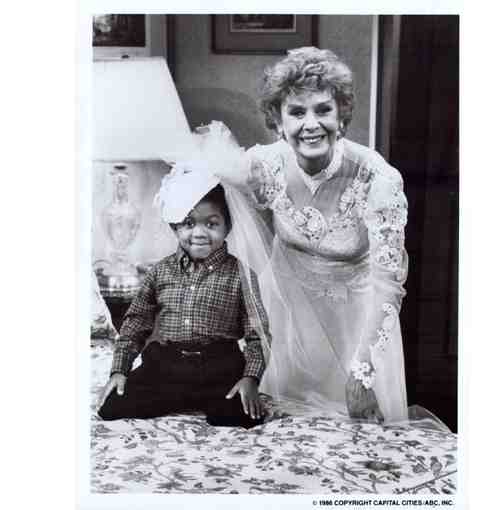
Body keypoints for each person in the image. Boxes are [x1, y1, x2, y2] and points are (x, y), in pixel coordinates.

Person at [216, 47, 410, 422]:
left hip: (357, 329)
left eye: (323, 110)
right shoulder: (263, 166)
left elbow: (388, 285)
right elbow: (241, 234)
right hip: (286, 324)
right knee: (282, 433)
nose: (311, 124)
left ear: (342, 116)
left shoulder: (378, 178)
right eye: (297, 112)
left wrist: (363, 370)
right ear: (277, 120)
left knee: (357, 438)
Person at [96, 160, 270, 429]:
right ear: (175, 227)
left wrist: (250, 379)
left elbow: (257, 335)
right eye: (188, 223)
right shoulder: (160, 271)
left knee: (240, 415)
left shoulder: (241, 274)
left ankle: (206, 400)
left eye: (211, 224)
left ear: (227, 226)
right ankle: (175, 396)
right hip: (166, 367)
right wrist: (120, 370)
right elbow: (135, 323)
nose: (199, 233)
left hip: (219, 368)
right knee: (111, 407)